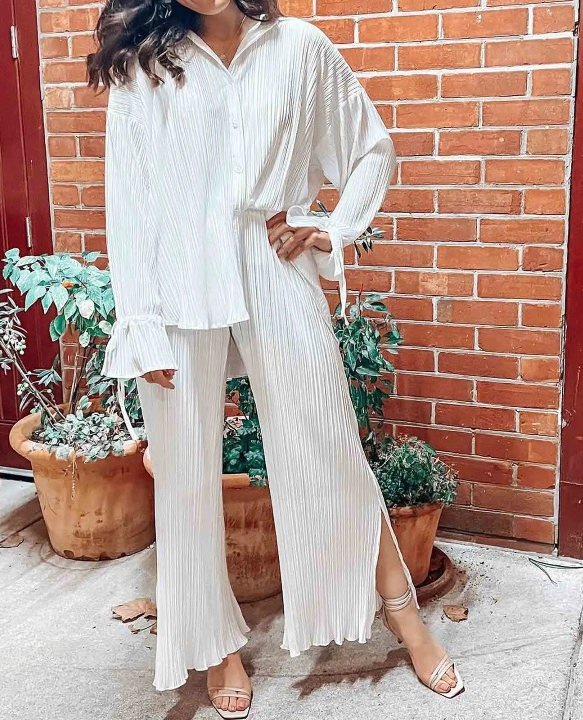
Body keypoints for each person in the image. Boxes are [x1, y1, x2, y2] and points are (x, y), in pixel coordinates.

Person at [88, 1, 464, 716]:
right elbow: (128, 205)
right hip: (177, 291)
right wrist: (140, 325)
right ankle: (217, 646)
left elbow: (371, 148)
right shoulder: (145, 66)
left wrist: (333, 227)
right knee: (184, 476)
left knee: (332, 452)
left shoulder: (298, 48)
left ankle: (403, 615)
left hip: (275, 268)